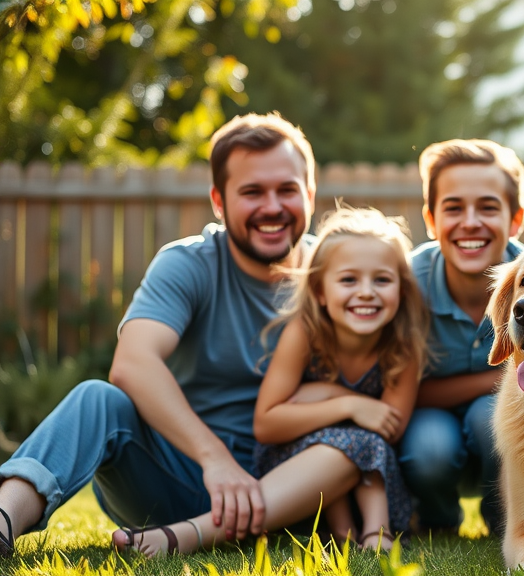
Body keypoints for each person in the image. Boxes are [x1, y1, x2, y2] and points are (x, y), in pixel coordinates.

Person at [0, 111, 339, 557]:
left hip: (293, 486)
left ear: (310, 194)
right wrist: (214, 459)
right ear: (219, 201)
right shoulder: (189, 264)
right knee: (97, 399)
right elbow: (133, 364)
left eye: (287, 190)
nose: (272, 207)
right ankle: (4, 521)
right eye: (252, 192)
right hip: (177, 483)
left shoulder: (341, 274)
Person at [111, 207, 429, 556]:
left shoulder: (403, 346)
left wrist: (316, 397)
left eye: (382, 280)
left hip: (366, 479)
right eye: (349, 280)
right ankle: (186, 536)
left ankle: (370, 533)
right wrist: (346, 402)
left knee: (364, 443)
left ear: (402, 288)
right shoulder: (305, 333)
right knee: (349, 441)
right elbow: (267, 424)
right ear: (321, 291)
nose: (366, 292)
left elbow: (389, 426)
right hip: (293, 474)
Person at [398, 139, 524, 536]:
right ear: (431, 219)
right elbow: (399, 394)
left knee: (487, 416)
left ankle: (506, 519)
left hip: (509, 422)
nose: (470, 222)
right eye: (453, 207)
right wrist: (498, 376)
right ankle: (436, 521)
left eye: (488, 207)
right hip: (424, 423)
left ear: (516, 219)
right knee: (430, 448)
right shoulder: (404, 284)